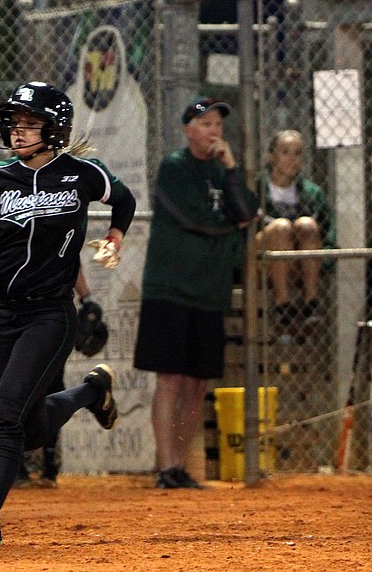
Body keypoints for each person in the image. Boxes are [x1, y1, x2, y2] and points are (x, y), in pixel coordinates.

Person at [0, 81, 136, 546]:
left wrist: (115, 239)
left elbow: (123, 201)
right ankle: (91, 392)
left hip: (51, 314)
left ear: (56, 129)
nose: (18, 130)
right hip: (4, 313)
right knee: (27, 432)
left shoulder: (81, 173)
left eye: (31, 123)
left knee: (3, 416)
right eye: (15, 123)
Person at [133, 96, 259, 490]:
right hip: (170, 287)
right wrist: (231, 226)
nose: (214, 132)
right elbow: (195, 217)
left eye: (218, 125)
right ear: (188, 130)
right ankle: (166, 466)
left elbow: (247, 211)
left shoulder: (224, 172)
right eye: (205, 124)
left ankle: (181, 466)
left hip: (209, 290)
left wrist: (233, 168)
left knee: (197, 383)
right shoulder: (175, 167)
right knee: (170, 378)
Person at [0, 227, 94, 489]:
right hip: (9, 313)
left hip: (48, 308)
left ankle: (49, 464)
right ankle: (18, 466)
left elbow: (68, 257)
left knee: (51, 383)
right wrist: (3, 290)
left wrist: (87, 298)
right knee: (11, 389)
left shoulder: (54, 205)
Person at [256, 129, 335, 327]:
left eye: (298, 153)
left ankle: (311, 304)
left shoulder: (312, 193)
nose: (292, 158)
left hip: (300, 262)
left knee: (306, 224)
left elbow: (328, 234)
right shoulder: (255, 187)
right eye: (285, 152)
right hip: (263, 261)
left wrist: (323, 261)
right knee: (281, 227)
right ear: (272, 157)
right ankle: (284, 307)